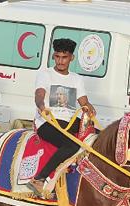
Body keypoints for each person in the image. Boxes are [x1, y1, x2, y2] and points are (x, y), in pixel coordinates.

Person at [28, 38, 95, 195]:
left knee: (97, 137)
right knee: (72, 145)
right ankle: (39, 178)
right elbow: (39, 95)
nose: (60, 61)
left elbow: (84, 102)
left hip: (69, 120)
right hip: (48, 122)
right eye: (57, 57)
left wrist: (90, 109)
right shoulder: (45, 75)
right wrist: (42, 107)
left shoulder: (77, 79)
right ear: (53, 57)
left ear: (71, 58)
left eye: (64, 57)